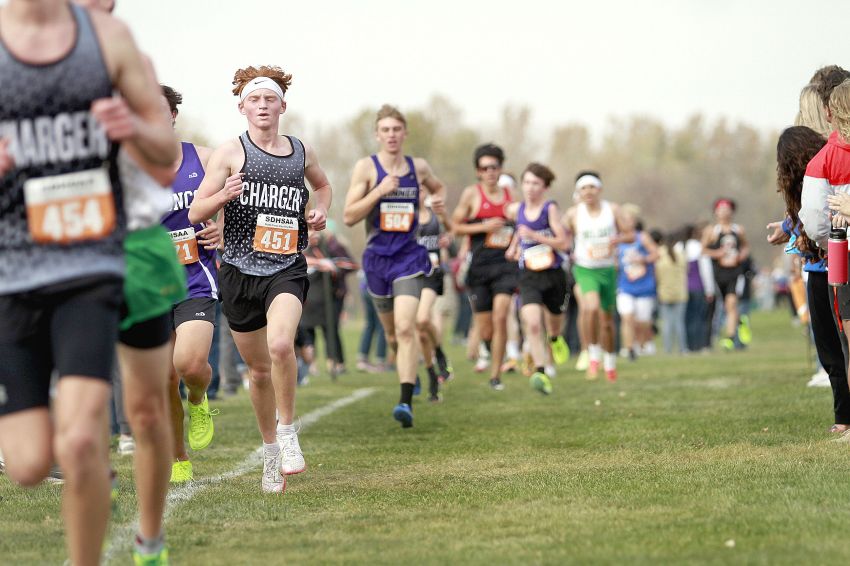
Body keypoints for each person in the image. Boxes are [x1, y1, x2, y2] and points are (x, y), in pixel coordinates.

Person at [0, 2, 176, 565]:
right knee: (43, 452)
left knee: (144, 409)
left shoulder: (117, 49)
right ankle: (83, 460)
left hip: (132, 245)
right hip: (33, 253)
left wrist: (130, 129)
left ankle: (149, 539)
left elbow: (164, 157)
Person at [189, 65, 332, 492]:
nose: (263, 106)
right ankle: (270, 453)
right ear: (242, 107)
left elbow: (322, 186)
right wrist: (223, 196)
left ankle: (287, 433)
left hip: (285, 266)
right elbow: (197, 211)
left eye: (270, 99)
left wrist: (321, 209)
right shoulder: (230, 152)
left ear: (283, 106)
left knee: (281, 344)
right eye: (255, 99)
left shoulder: (300, 152)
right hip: (237, 272)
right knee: (258, 371)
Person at [343, 104, 447, 428]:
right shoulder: (366, 168)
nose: (391, 135)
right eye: (385, 130)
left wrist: (437, 201)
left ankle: (405, 402)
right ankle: (409, 371)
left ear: (405, 134)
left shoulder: (419, 167)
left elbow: (438, 188)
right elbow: (348, 216)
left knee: (406, 327)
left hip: (409, 257)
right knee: (391, 334)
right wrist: (379, 191)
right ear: (377, 134)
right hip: (377, 260)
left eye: (396, 129)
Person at [158, 84, 219, 484]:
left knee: (190, 364)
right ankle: (178, 456)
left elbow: (236, 198)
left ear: (172, 115)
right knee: (163, 378)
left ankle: (198, 398)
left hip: (196, 275)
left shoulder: (204, 158)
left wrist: (222, 230)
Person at [451, 144, 519, 390]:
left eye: (494, 167)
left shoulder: (511, 196)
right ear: (478, 171)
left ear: (501, 169)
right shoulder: (472, 195)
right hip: (479, 268)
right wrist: (483, 227)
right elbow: (455, 227)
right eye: (484, 168)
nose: (490, 172)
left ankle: (495, 376)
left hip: (505, 266)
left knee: (501, 316)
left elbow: (522, 224)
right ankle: (490, 351)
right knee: (486, 328)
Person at [504, 163, 570, 394]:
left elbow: (564, 243)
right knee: (531, 323)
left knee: (554, 319)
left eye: (536, 184)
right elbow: (520, 234)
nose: (530, 188)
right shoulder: (517, 209)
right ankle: (540, 372)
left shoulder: (549, 209)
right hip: (529, 274)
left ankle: (554, 338)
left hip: (553, 273)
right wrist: (513, 248)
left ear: (545, 187)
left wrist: (535, 236)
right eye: (527, 182)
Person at [563, 171, 631, 381]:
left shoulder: (613, 210)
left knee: (607, 321)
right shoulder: (573, 214)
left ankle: (610, 363)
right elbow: (561, 236)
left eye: (592, 187)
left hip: (608, 269)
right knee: (590, 308)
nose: (588, 191)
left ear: (599, 189)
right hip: (585, 268)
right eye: (583, 188)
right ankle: (593, 355)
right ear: (579, 192)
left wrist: (615, 241)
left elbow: (630, 234)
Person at [416, 190, 454, 401]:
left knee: (422, 319)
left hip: (433, 274)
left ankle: (439, 352)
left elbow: (452, 231)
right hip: (411, 275)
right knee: (420, 333)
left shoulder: (435, 213)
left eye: (422, 189)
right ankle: (432, 374)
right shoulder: (404, 214)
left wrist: (448, 237)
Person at [702, 198, 750, 351]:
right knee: (722, 306)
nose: (724, 212)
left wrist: (741, 256)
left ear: (732, 211)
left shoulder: (738, 230)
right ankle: (739, 322)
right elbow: (703, 250)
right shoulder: (712, 231)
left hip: (734, 272)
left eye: (727, 209)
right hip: (718, 273)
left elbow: (745, 247)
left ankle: (729, 338)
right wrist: (718, 253)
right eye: (721, 209)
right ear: (715, 212)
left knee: (731, 303)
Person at [614, 205, 658, 359]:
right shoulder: (616, 240)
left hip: (644, 286)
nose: (625, 223)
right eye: (622, 219)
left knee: (642, 322)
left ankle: (642, 344)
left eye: (628, 219)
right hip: (625, 286)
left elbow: (656, 254)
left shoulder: (642, 238)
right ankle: (629, 348)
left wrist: (644, 259)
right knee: (627, 317)